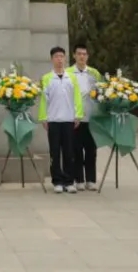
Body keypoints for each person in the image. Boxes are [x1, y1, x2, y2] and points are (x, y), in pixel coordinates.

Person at [39, 46, 83, 194]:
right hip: (53, 120)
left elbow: (77, 98)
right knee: (55, 152)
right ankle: (57, 181)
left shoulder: (72, 78)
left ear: (65, 58)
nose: (59, 59)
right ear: (52, 59)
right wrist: (43, 118)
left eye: (61, 56)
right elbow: (44, 100)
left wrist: (78, 115)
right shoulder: (46, 78)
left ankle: (69, 181)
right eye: (56, 56)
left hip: (69, 119)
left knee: (69, 152)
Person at [68, 44, 103, 190]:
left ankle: (91, 179)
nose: (82, 56)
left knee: (91, 150)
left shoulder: (94, 73)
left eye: (84, 54)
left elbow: (101, 92)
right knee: (76, 150)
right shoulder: (68, 72)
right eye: (79, 54)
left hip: (91, 117)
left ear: (88, 56)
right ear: (74, 56)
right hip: (75, 118)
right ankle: (79, 179)